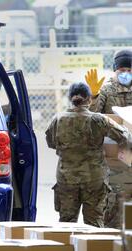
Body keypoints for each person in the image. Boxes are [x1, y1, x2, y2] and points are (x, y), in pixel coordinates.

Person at [46, 82, 130, 227]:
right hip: (94, 179)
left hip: (66, 179)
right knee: (94, 224)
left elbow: (51, 143)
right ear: (89, 99)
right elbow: (124, 136)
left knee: (66, 223)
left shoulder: (57, 119)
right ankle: (91, 249)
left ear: (70, 98)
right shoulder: (98, 119)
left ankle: (65, 249)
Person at [86, 50, 132, 228]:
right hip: (113, 154)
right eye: (121, 70)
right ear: (115, 70)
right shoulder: (107, 89)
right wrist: (95, 95)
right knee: (112, 199)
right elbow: (94, 115)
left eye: (129, 69)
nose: (125, 73)